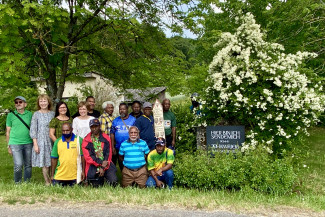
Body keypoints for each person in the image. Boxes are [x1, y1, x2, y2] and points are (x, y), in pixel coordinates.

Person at [82, 118, 117, 187]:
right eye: (92, 127)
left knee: (113, 181)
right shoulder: (86, 140)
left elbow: (108, 153)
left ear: (99, 126)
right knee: (95, 185)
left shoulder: (106, 138)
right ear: (90, 128)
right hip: (93, 164)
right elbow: (89, 157)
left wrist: (103, 167)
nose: (94, 128)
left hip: (106, 163)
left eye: (96, 126)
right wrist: (100, 163)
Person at [6, 96, 33, 183]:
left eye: (20, 102)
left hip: (28, 142)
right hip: (15, 143)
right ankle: (17, 182)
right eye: (16, 102)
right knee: (18, 164)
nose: (18, 104)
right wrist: (8, 145)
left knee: (28, 165)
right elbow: (8, 131)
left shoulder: (30, 114)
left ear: (25, 104)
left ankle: (27, 182)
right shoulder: (10, 115)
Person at [30, 94, 55, 185]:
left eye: (45, 101)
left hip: (51, 140)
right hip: (41, 141)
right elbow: (33, 130)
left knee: (52, 161)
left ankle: (53, 179)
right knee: (44, 162)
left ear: (48, 102)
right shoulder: (36, 114)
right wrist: (35, 144)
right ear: (38, 103)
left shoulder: (52, 114)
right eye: (41, 101)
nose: (43, 103)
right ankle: (47, 181)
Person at [110, 103, 136, 170]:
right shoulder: (115, 121)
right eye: (120, 109)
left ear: (127, 109)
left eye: (124, 109)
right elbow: (112, 133)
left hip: (130, 147)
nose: (122, 111)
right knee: (121, 165)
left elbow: (137, 133)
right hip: (119, 147)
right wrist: (112, 146)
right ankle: (124, 179)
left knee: (130, 165)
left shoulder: (133, 120)